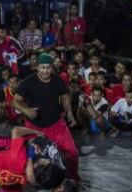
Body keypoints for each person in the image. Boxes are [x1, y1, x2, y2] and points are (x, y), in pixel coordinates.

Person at [13, 53, 81, 182]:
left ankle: (73, 177)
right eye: (42, 67)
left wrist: (70, 113)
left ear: (52, 68)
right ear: (37, 67)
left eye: (48, 67)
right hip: (34, 127)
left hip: (56, 124)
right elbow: (15, 101)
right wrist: (25, 110)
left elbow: (65, 96)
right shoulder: (28, 82)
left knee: (72, 152)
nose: (45, 71)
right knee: (29, 156)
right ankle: (32, 179)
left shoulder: (58, 81)